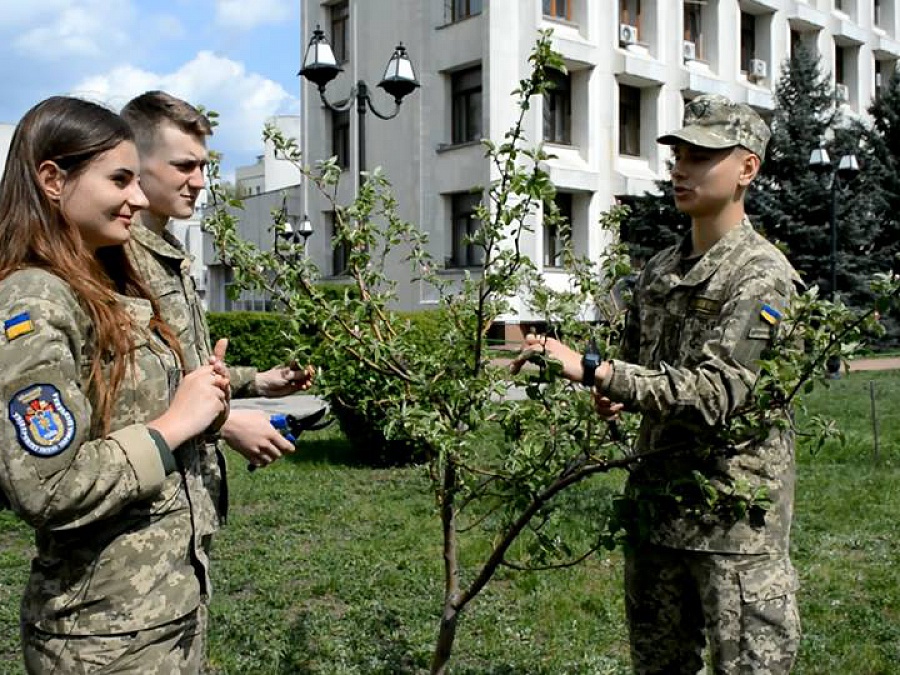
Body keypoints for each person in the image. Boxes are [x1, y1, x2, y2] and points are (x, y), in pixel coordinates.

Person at [513, 94, 803, 673]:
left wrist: (597, 371)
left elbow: (717, 394)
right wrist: (607, 389)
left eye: (702, 156)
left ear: (747, 168)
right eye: (679, 155)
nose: (681, 169)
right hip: (658, 514)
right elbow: (632, 362)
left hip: (732, 528)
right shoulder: (659, 270)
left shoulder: (762, 277)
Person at [0, 96, 230, 672]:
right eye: (119, 179)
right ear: (53, 180)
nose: (136, 197)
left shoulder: (103, 282)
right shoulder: (35, 297)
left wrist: (204, 395)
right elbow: (48, 487)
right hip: (102, 638)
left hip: (162, 609)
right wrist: (176, 422)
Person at [119, 91, 315, 475]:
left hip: (184, 505)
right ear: (135, 165)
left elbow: (179, 371)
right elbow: (124, 396)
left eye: (202, 167)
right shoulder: (116, 258)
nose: (199, 181)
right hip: (138, 515)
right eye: (183, 166)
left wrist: (257, 381)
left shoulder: (168, 251)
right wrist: (224, 423)